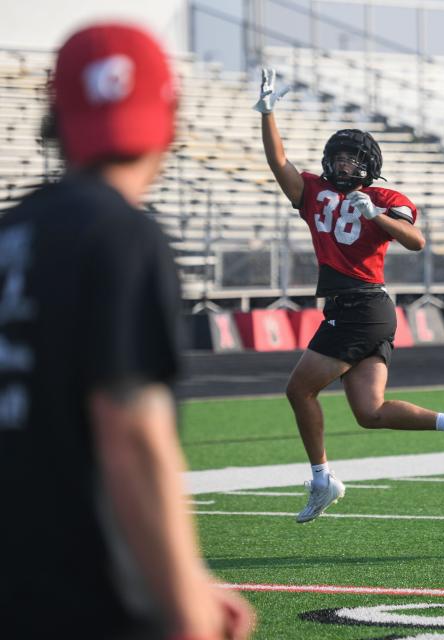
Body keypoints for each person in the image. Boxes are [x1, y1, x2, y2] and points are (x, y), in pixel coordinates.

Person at [0, 24, 255, 638]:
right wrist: (184, 603)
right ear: (168, 117)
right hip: (88, 595)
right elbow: (132, 436)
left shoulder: (12, 234)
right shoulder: (122, 235)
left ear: (57, 119)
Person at [254, 68, 444, 523]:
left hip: (363, 306)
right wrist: (268, 114)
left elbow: (415, 240)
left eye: (350, 158)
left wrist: (377, 215)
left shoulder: (383, 196)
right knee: (370, 412)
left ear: (368, 164)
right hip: (353, 309)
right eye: (337, 157)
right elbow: (277, 162)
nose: (342, 164)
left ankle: (322, 478)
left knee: (299, 390)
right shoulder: (315, 192)